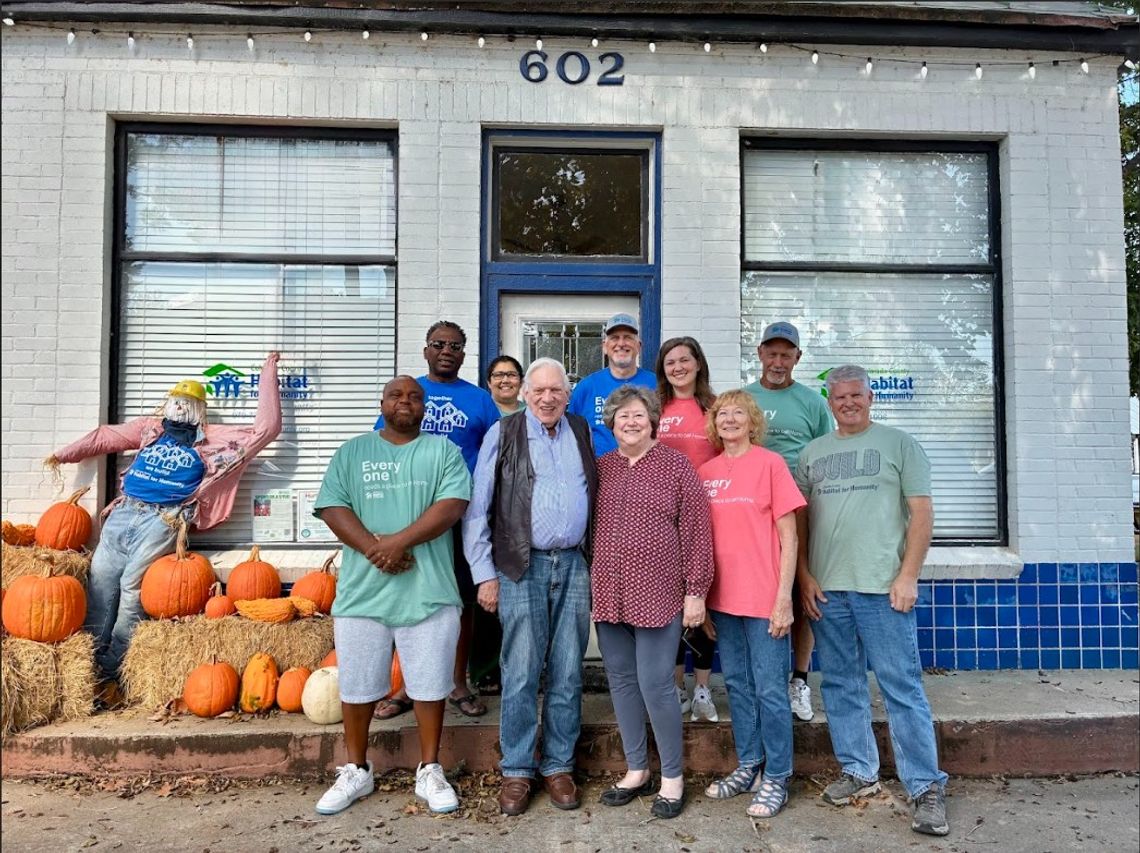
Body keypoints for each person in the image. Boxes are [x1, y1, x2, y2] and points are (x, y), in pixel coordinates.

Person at [45, 352, 282, 694]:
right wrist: (64, 454)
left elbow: (266, 429)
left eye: (188, 402)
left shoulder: (217, 439)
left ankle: (113, 669)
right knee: (100, 584)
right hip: (125, 511)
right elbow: (106, 436)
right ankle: (89, 666)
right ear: (168, 403)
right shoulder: (151, 428)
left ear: (200, 410)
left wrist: (268, 370)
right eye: (176, 400)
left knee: (132, 588)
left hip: (164, 518)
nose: (181, 406)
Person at [795, 364, 949, 837]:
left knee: (901, 686)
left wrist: (908, 576)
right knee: (841, 684)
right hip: (828, 589)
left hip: (884, 588)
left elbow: (921, 514)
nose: (848, 403)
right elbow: (799, 521)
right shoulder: (812, 453)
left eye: (855, 395)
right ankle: (859, 770)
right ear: (830, 402)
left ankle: (925, 787)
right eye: (839, 397)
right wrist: (804, 576)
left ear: (870, 397)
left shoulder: (900, 444)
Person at [312, 375, 471, 816]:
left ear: (425, 407)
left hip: (429, 590)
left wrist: (397, 543)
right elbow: (333, 507)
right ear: (381, 403)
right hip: (363, 593)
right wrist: (375, 550)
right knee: (357, 685)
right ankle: (356, 769)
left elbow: (452, 506)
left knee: (430, 685)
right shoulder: (352, 452)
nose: (406, 401)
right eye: (396, 395)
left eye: (415, 397)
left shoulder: (443, 451)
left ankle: (430, 768)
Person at [463, 357, 596, 816]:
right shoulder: (503, 433)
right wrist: (484, 574)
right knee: (520, 671)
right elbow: (478, 508)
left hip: (574, 564)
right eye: (538, 390)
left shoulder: (581, 430)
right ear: (524, 394)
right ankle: (518, 769)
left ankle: (559, 765)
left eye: (556, 390)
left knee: (568, 671)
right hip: (520, 564)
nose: (547, 398)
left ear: (568, 394)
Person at [592, 384, 713, 819]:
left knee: (657, 684)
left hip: (659, 593)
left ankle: (673, 777)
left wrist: (696, 591)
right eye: (622, 416)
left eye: (638, 415)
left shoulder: (676, 466)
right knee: (622, 681)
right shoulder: (602, 468)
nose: (630, 422)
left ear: (652, 421)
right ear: (612, 424)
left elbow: (697, 532)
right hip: (609, 592)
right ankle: (637, 769)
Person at [372, 321, 499, 720]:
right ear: (426, 349)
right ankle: (409, 684)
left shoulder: (480, 400)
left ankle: (457, 682)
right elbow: (381, 448)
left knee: (461, 602)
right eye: (439, 344)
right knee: (408, 598)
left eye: (455, 346)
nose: (447, 351)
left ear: (464, 353)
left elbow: (497, 456)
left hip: (462, 517)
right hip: (409, 516)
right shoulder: (409, 394)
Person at [698, 390, 805, 818]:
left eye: (738, 413)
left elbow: (790, 538)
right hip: (723, 601)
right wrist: (704, 600)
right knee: (737, 686)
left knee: (770, 689)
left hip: (764, 599)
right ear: (714, 423)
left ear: (752, 420)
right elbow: (701, 541)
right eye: (722, 413)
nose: (729, 419)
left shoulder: (770, 464)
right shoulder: (705, 472)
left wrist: (784, 599)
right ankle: (749, 764)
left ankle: (777, 775)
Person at [743, 321, 833, 723]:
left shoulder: (813, 403)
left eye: (786, 354)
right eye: (772, 353)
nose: (778, 361)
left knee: (801, 592)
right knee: (761, 592)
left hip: (799, 511)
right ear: (760, 354)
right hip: (752, 513)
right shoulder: (744, 398)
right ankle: (762, 679)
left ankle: (798, 679)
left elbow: (825, 457)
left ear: (798, 357)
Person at [654, 337, 719, 723]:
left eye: (684, 360)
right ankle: (677, 685)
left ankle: (703, 689)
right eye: (670, 362)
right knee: (671, 604)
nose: (678, 367)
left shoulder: (713, 407)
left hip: (708, 516)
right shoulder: (654, 406)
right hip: (664, 519)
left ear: (698, 364)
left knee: (703, 601)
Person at [568, 313, 655, 456]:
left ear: (639, 346)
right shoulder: (586, 387)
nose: (621, 344)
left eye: (628, 337)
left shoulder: (656, 384)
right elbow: (569, 434)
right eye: (615, 338)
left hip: (648, 467)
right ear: (604, 346)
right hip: (598, 468)